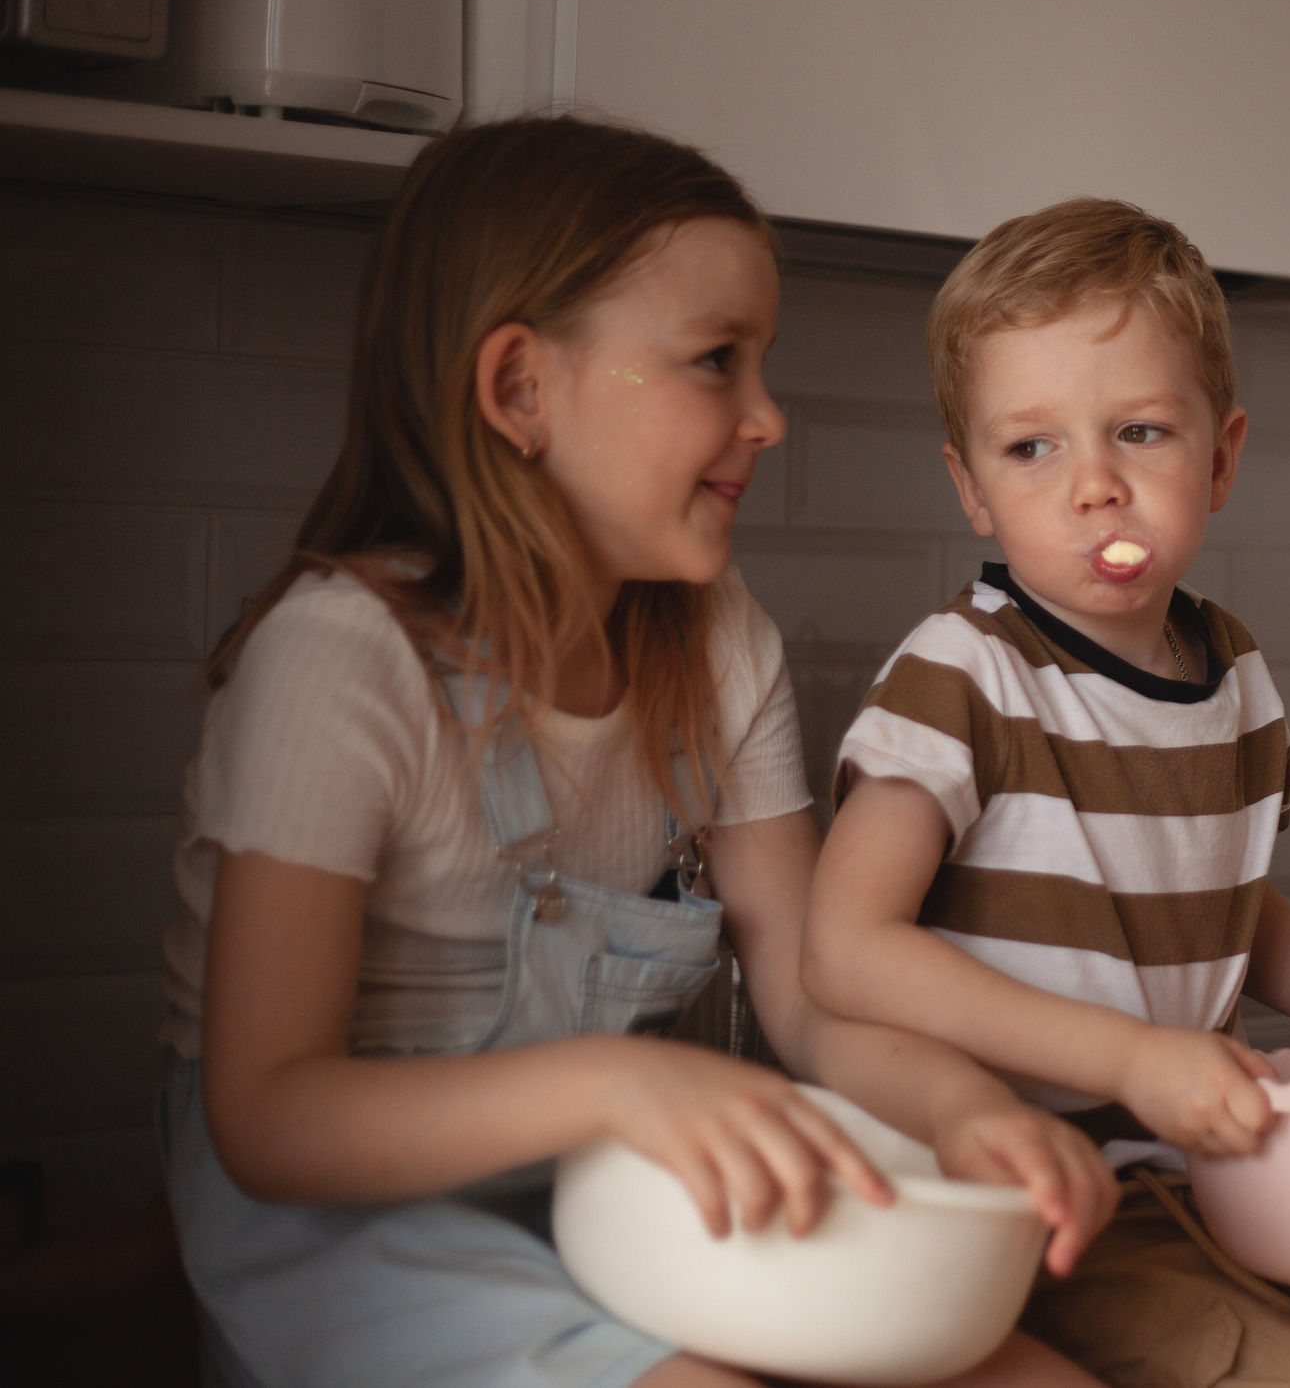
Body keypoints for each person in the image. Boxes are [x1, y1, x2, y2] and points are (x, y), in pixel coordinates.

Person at [157, 116, 1117, 1388]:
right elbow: (270, 1117)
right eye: (717, 361)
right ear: (520, 390)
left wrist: (965, 1110)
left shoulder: (719, 646)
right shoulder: (340, 661)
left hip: (607, 1192)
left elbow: (808, 993)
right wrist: (617, 1086)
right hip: (343, 1236)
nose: (768, 417)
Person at [801, 197, 1290, 1388]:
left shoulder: (1233, 675)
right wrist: (1131, 1061)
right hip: (1043, 1205)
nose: (1094, 486)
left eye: (1139, 433)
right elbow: (844, 952)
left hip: (1222, 1173)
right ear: (971, 488)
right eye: (1031, 448)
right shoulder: (961, 677)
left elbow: (1215, 900)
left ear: (1221, 457)